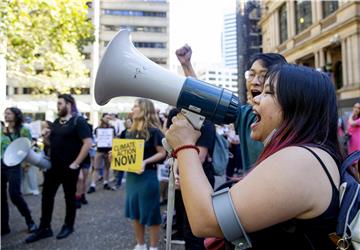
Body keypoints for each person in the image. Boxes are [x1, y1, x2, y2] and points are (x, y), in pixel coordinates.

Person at [165, 64, 343, 249]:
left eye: (268, 92)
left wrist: (185, 145)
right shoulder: (312, 156)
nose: (256, 99)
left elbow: (206, 221)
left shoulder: (301, 161)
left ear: (297, 105)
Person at [175, 45, 287, 172]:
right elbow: (205, 99)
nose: (255, 81)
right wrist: (187, 65)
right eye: (251, 74)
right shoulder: (246, 115)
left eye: (263, 75)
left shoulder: (294, 122)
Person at [26, 94, 92, 243]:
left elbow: (88, 143)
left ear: (69, 104)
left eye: (60, 104)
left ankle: (69, 225)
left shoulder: (78, 121)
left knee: (69, 198)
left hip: (69, 167)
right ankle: (44, 228)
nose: (58, 106)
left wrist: (76, 163)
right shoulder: (56, 122)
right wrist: (46, 138)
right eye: (57, 104)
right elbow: (52, 144)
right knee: (47, 196)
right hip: (53, 166)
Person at [166, 108, 216, 249]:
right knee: (187, 226)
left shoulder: (206, 123)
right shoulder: (182, 120)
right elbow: (177, 152)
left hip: (200, 178)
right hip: (184, 176)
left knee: (195, 230)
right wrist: (176, 174)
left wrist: (180, 175)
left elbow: (200, 156)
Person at [124, 98, 166, 250]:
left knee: (151, 213)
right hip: (132, 177)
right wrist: (114, 156)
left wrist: (145, 162)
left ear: (144, 109)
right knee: (134, 211)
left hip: (148, 177)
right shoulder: (128, 132)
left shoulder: (154, 132)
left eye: (135, 106)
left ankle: (153, 247)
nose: (132, 108)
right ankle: (140, 244)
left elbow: (163, 153)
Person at [1, 107, 37, 236]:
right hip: (1, 164)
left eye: (9, 113)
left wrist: (26, 164)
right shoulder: (1, 130)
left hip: (14, 165)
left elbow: (29, 147)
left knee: (14, 195)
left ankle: (30, 221)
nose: (6, 115)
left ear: (16, 115)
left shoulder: (24, 130)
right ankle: (4, 226)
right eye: (5, 113)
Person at [87, 113, 116, 193]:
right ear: (102, 118)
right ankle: (93, 185)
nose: (108, 119)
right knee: (96, 168)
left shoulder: (112, 128)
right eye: (106, 117)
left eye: (109, 118)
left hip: (109, 151)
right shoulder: (97, 129)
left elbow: (115, 138)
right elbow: (95, 139)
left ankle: (105, 182)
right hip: (99, 150)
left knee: (107, 168)